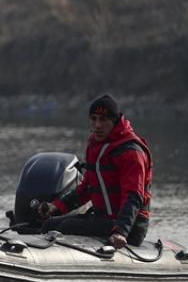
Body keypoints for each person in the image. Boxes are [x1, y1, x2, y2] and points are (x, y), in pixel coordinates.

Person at [36, 94, 153, 248]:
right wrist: (56, 207)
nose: (97, 125)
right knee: (49, 224)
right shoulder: (95, 146)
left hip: (130, 228)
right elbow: (87, 188)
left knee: (65, 227)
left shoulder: (131, 152)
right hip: (103, 220)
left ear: (114, 121)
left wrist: (121, 231)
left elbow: (133, 197)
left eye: (103, 120)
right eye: (94, 119)